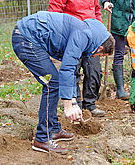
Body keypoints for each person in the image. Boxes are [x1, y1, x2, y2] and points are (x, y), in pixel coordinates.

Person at [12, 11, 114, 154]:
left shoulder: (88, 35)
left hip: (31, 37)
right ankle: (42, 138)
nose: (96, 57)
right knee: (52, 83)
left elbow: (71, 70)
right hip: (26, 38)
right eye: (99, 55)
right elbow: (66, 69)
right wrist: (68, 106)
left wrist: (73, 102)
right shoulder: (83, 36)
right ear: (100, 48)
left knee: (56, 81)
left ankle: (53, 129)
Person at [48, 0, 105, 117]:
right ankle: (75, 105)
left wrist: (99, 31)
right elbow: (55, 17)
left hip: (91, 40)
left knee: (94, 71)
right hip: (71, 40)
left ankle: (90, 104)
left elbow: (97, 11)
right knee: (72, 72)